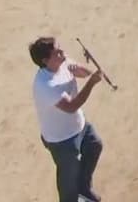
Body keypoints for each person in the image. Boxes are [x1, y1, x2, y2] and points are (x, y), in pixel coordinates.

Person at [29, 37, 105, 202]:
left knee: (95, 145)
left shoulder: (62, 62)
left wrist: (81, 70)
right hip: (61, 140)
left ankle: (84, 188)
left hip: (80, 126)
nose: (62, 53)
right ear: (45, 61)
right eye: (57, 52)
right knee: (68, 180)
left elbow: (85, 73)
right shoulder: (45, 86)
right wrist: (91, 83)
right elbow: (72, 106)